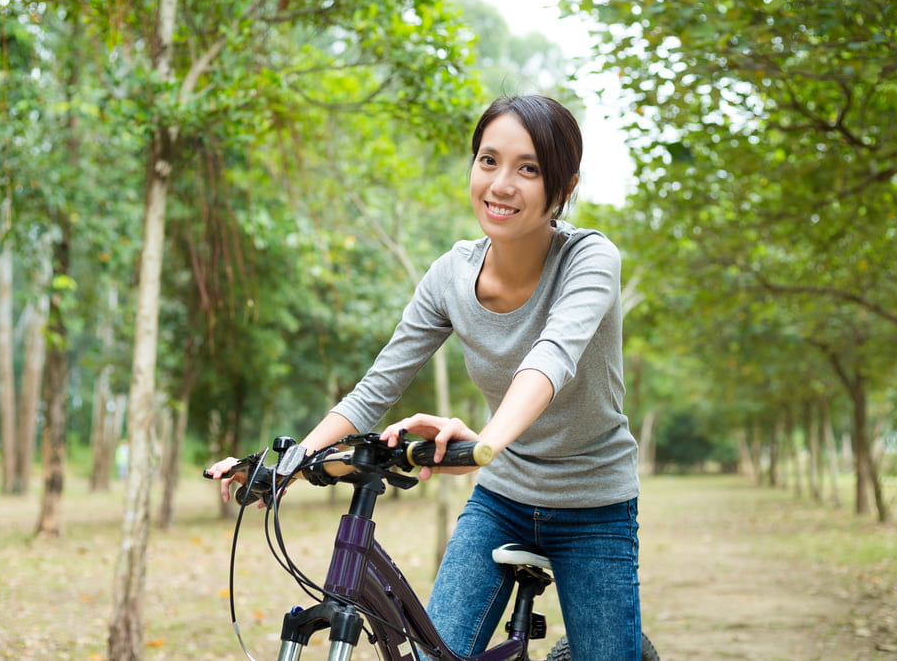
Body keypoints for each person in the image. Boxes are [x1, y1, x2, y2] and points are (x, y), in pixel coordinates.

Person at [207, 94, 642, 660]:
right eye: (488, 161)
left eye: (528, 168)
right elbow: (375, 389)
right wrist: (286, 464)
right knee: (435, 654)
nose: (501, 184)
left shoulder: (589, 259)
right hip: (502, 498)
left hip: (596, 503)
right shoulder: (450, 276)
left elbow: (551, 357)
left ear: (564, 185)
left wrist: (484, 441)